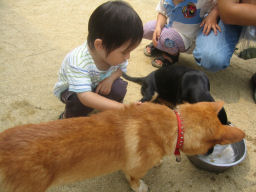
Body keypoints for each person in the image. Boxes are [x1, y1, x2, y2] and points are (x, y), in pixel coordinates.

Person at [53, 1, 143, 119]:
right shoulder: (77, 61)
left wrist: (110, 79)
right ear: (100, 45)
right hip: (73, 91)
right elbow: (85, 96)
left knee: (119, 88)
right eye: (124, 52)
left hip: (97, 83)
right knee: (79, 104)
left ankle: (110, 109)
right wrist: (124, 108)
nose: (127, 57)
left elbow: (121, 69)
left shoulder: (114, 55)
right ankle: (67, 117)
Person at [193, 0, 256, 102]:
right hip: (234, 15)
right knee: (210, 57)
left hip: (241, 9)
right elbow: (228, 12)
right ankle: (186, 36)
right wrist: (219, 9)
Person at [143, 0, 220, 68]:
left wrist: (213, 14)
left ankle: (171, 55)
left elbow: (218, 3)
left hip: (185, 38)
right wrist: (158, 27)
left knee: (167, 37)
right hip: (169, 27)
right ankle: (160, 45)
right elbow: (163, 12)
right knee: (147, 29)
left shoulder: (201, 2)